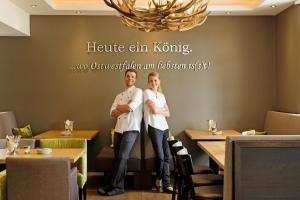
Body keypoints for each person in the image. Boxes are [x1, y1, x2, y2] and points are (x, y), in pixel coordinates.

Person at [97, 69, 143, 196]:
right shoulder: (119, 95)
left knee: (123, 157)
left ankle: (112, 185)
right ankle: (119, 186)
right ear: (124, 78)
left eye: (133, 77)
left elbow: (130, 107)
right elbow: (112, 113)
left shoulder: (139, 92)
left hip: (131, 128)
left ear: (136, 79)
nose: (130, 78)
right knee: (118, 159)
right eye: (128, 76)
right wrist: (122, 107)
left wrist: (120, 107)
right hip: (118, 129)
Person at [144, 72, 173, 193]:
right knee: (160, 156)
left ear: (159, 81)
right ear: (148, 82)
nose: (153, 83)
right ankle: (158, 179)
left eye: (155, 80)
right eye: (151, 80)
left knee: (166, 156)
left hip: (164, 127)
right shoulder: (147, 93)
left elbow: (168, 113)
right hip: (153, 126)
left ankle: (166, 184)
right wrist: (161, 109)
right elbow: (154, 110)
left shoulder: (162, 95)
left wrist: (159, 109)